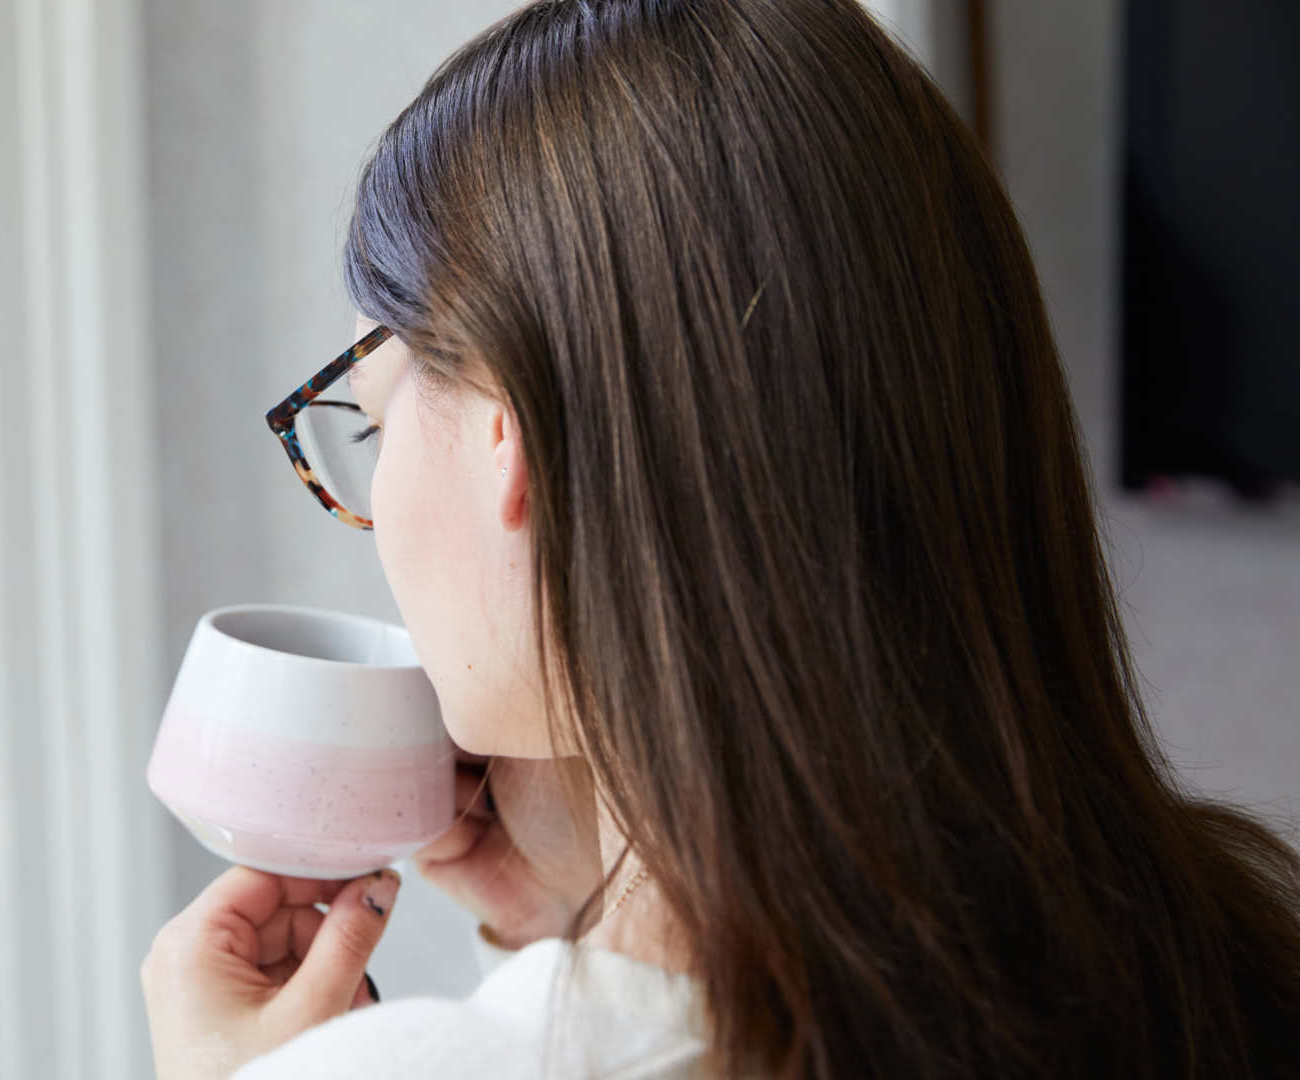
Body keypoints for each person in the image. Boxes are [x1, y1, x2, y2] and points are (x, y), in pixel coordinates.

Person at [138, 0, 1300, 1076]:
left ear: (509, 439)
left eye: (380, 422)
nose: (377, 516)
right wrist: (581, 919)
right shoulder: (1226, 959)